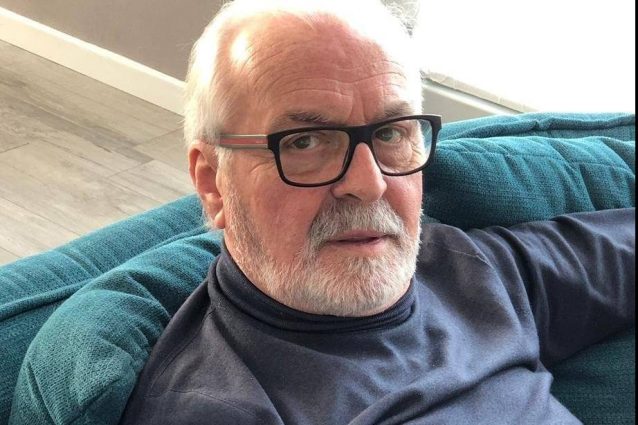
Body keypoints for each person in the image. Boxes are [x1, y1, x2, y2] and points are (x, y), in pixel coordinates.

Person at [119, 1, 635, 423]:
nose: (368, 185)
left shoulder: (468, 268)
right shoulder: (220, 406)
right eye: (305, 141)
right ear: (213, 183)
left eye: (390, 133)